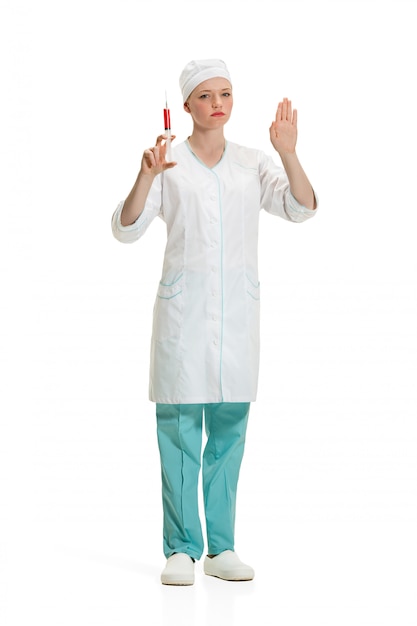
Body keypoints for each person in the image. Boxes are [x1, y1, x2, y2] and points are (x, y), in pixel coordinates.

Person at [111, 59, 317, 586]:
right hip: (184, 317)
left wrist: (289, 154)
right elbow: (126, 229)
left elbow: (301, 208)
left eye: (225, 93)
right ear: (186, 106)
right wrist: (145, 175)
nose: (217, 103)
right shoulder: (167, 163)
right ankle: (181, 548)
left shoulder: (253, 163)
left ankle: (221, 548)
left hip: (237, 317)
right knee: (179, 431)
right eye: (205, 96)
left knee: (229, 430)